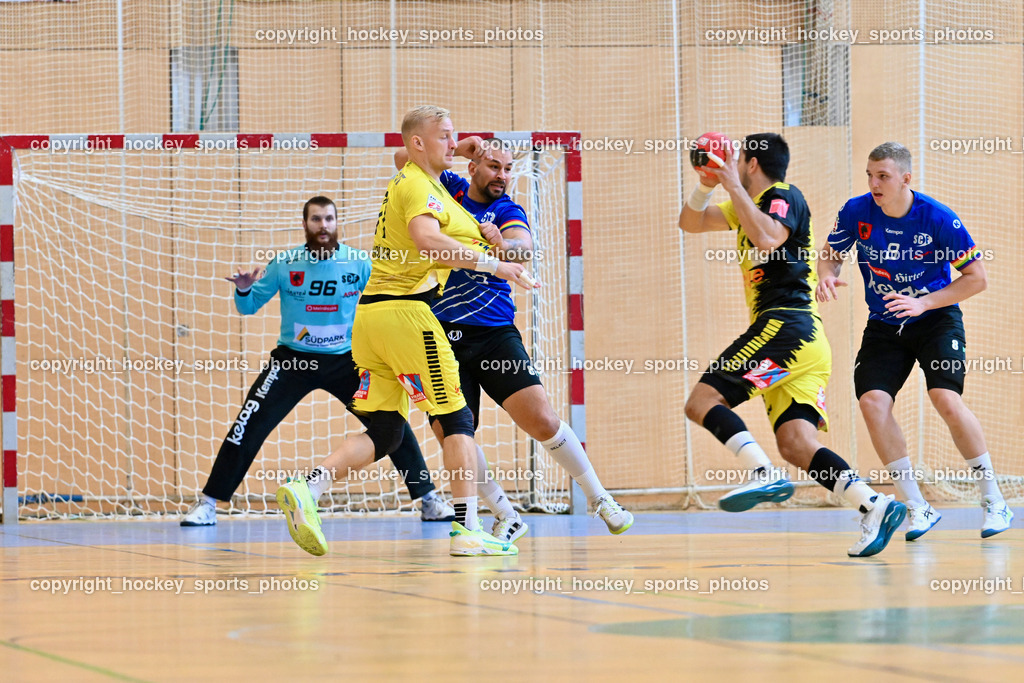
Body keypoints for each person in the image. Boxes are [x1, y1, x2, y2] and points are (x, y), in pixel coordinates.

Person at [275, 105, 534, 557]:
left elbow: (431, 217)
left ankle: (308, 488)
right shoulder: (419, 186)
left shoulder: (421, 180)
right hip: (407, 315)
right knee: (456, 419)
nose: (455, 143)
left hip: (372, 320)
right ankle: (467, 529)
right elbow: (427, 239)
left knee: (387, 431)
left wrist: (463, 151)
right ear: (418, 143)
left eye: (457, 136)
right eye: (446, 136)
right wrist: (496, 264)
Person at [392, 137, 633, 542]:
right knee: (455, 435)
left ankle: (599, 497)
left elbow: (523, 247)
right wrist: (465, 145)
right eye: (494, 166)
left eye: (508, 168)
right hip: (439, 336)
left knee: (542, 419)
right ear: (473, 168)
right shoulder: (447, 187)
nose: (502, 175)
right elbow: (404, 157)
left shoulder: (506, 209)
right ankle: (505, 514)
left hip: (492, 334)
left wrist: (504, 246)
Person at [678, 132, 906, 557]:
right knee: (797, 443)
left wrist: (727, 182)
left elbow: (768, 238)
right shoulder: (743, 205)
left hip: (786, 328)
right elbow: (689, 222)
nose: (734, 162)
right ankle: (873, 505)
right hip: (802, 345)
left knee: (702, 401)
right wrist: (705, 183)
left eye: (738, 159)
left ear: (751, 164)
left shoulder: (784, 195)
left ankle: (761, 472)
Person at [180, 196, 454, 527]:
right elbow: (248, 307)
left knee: (391, 423)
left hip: (348, 362)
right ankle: (208, 503)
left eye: (328, 219)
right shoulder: (285, 263)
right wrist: (243, 289)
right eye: (315, 219)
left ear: (337, 223)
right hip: (292, 361)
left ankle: (428, 499)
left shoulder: (359, 263)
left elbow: (387, 301)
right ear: (305, 224)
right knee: (247, 424)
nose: (322, 225)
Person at [817, 141, 1013, 540]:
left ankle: (994, 499)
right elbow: (830, 253)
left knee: (945, 398)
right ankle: (916, 507)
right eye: (870, 175)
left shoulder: (938, 218)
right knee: (872, 402)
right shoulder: (857, 211)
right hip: (885, 322)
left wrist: (924, 304)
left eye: (883, 176)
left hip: (935, 318)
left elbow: (977, 278)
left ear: (906, 178)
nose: (874, 183)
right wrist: (825, 273)